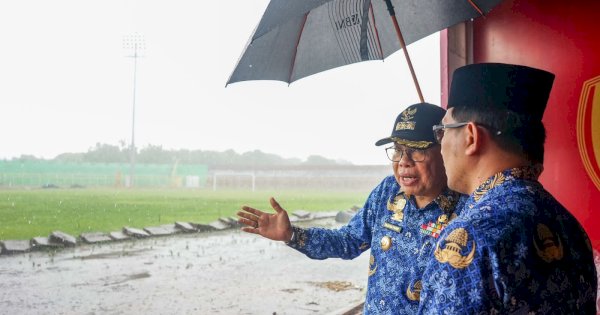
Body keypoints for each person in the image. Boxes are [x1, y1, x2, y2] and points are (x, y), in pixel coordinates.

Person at [238, 103, 466, 314]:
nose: (403, 162)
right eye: (397, 150)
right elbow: (348, 241)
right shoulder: (387, 192)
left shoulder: (467, 208)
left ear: (445, 149)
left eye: (417, 150)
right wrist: (292, 235)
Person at [418, 63, 597, 314]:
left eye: (442, 131)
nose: (441, 143)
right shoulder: (569, 225)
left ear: (471, 136)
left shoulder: (471, 238)